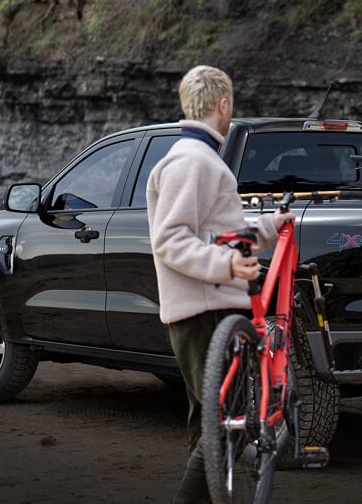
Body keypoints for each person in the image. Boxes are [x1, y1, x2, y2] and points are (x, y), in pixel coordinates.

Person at [146, 65, 293, 504]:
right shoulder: (193, 161)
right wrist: (228, 266)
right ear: (223, 105)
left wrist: (266, 227)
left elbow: (218, 227)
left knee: (209, 427)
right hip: (205, 311)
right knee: (223, 431)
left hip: (202, 309)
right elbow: (171, 240)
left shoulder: (195, 157)